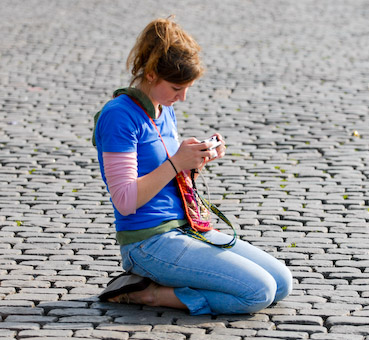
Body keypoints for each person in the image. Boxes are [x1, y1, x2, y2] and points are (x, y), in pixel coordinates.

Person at [93, 17, 292, 315]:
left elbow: (168, 173)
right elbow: (125, 200)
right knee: (258, 292)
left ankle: (188, 282)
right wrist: (176, 163)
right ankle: (148, 295)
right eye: (176, 87)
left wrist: (195, 160)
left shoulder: (163, 108)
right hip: (149, 242)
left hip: (188, 227)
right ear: (149, 74)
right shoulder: (119, 116)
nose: (182, 97)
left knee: (281, 282)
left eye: (187, 88)